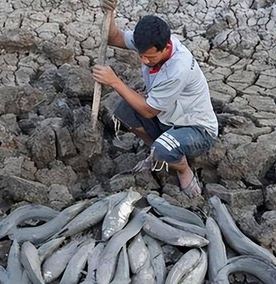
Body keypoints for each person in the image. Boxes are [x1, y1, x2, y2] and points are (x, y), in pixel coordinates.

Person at [92, 0, 218, 197]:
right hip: (168, 119)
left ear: (166, 47)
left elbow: (149, 111)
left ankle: (183, 169)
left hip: (196, 129)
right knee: (124, 109)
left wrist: (115, 82)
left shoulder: (177, 69)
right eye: (142, 55)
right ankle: (157, 150)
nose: (144, 61)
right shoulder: (148, 42)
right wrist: (111, 12)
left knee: (162, 149)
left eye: (150, 58)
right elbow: (114, 37)